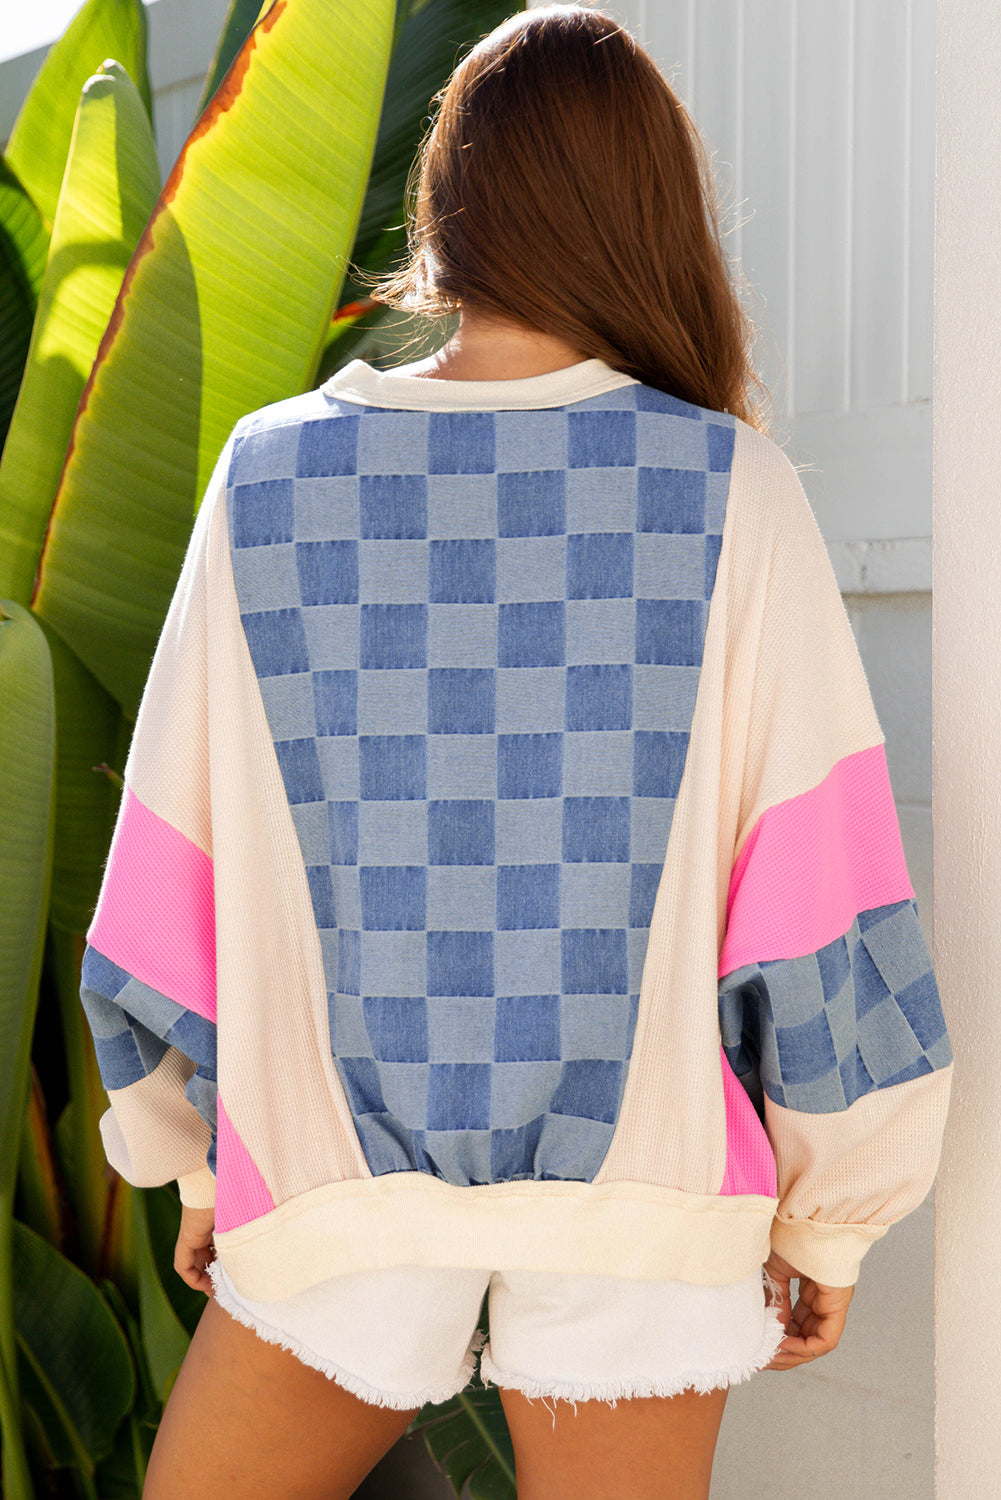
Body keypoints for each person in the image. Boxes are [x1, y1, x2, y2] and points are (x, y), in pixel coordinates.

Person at [78, 8, 952, 1498]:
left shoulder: (268, 479)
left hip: (333, 1194)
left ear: (445, 207)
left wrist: (199, 1154)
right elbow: (817, 894)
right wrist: (830, 1218)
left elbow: (174, 860)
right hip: (645, 1209)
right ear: (651, 210)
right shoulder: (729, 489)